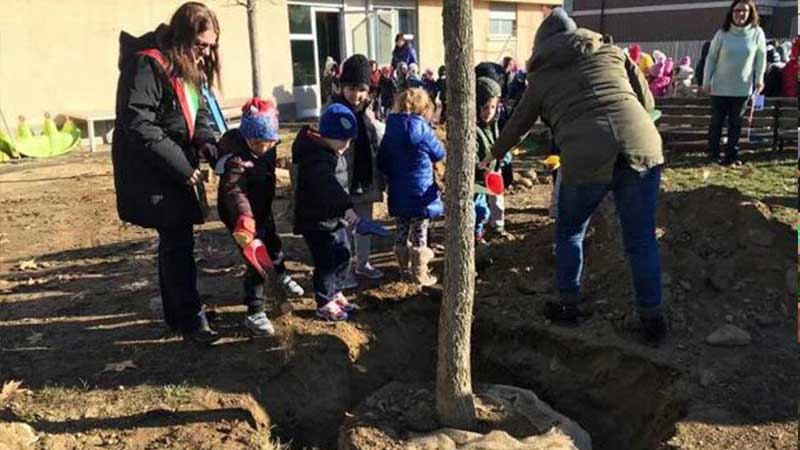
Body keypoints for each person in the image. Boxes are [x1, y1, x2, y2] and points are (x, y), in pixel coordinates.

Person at [491, 8, 667, 344]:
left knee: (570, 231)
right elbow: (645, 98)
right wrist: (640, 124)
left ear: (541, 45)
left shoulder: (541, 78)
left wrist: (494, 155)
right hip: (642, 146)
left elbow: (519, 124)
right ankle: (652, 320)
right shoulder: (612, 53)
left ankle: (569, 305)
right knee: (641, 240)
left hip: (586, 157)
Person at [112, 2, 222, 344]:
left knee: (176, 242)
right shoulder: (148, 63)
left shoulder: (186, 65)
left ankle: (180, 315)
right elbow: (138, 122)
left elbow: (197, 108)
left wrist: (205, 141)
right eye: (201, 45)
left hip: (175, 164)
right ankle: (190, 321)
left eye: (210, 46)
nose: (205, 53)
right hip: (155, 169)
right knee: (178, 242)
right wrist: (181, 164)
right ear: (181, 36)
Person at [216, 98, 305, 337]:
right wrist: (244, 219)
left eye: (269, 143)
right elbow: (234, 191)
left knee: (273, 244)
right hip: (241, 218)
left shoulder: (268, 147)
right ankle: (254, 312)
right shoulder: (235, 160)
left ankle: (282, 274)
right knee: (256, 263)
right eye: (258, 143)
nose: (264, 148)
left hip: (262, 208)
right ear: (248, 138)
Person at [292, 104, 361, 321]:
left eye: (349, 140)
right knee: (326, 262)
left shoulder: (332, 150)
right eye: (343, 140)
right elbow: (328, 185)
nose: (346, 146)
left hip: (334, 217)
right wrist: (346, 206)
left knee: (343, 252)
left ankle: (336, 291)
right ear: (327, 135)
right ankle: (324, 301)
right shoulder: (315, 158)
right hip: (317, 220)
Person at [328, 54, 386, 283]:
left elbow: (375, 143)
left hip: (366, 178)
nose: (356, 94)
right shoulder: (333, 111)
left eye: (361, 89)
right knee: (343, 228)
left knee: (364, 224)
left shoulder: (368, 112)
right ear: (342, 86)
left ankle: (363, 263)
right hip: (342, 179)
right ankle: (344, 269)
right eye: (351, 88)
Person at [378, 88, 444, 286]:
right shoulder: (424, 131)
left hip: (398, 190)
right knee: (419, 232)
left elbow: (382, 160)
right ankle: (420, 274)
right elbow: (439, 153)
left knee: (401, 228)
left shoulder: (390, 130)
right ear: (424, 109)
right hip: (421, 191)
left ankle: (402, 269)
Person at [702, 0, 766, 166]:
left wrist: (759, 79)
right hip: (720, 88)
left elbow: (761, 58)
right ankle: (713, 156)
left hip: (742, 89)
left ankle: (731, 157)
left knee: (735, 125)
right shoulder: (722, 33)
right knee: (716, 123)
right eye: (737, 10)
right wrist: (706, 81)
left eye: (744, 10)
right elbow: (711, 58)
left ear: (750, 13)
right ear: (731, 13)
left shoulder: (757, 33)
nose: (740, 14)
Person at [473, 77, 510, 243]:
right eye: (485, 107)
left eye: (493, 107)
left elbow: (496, 142)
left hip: (492, 172)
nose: (489, 111)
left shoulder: (493, 125)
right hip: (477, 176)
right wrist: (479, 166)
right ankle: (475, 234)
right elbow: (472, 151)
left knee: (491, 203)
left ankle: (492, 227)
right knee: (478, 209)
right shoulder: (474, 129)